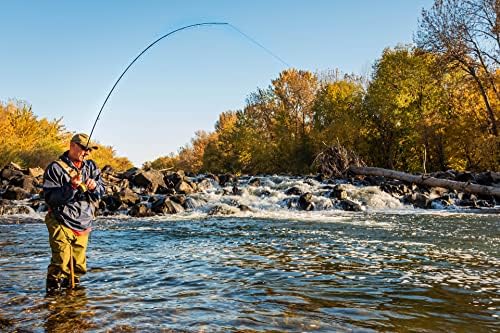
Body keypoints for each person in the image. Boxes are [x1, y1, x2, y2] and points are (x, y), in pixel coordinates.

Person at [43, 133, 105, 294]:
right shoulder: (55, 168)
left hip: (83, 222)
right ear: (72, 145)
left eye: (89, 150)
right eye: (84, 148)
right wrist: (70, 187)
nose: (87, 152)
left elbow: (101, 190)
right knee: (61, 262)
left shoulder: (91, 167)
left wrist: (94, 186)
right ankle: (53, 299)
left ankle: (73, 301)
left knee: (78, 266)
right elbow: (50, 198)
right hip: (60, 220)